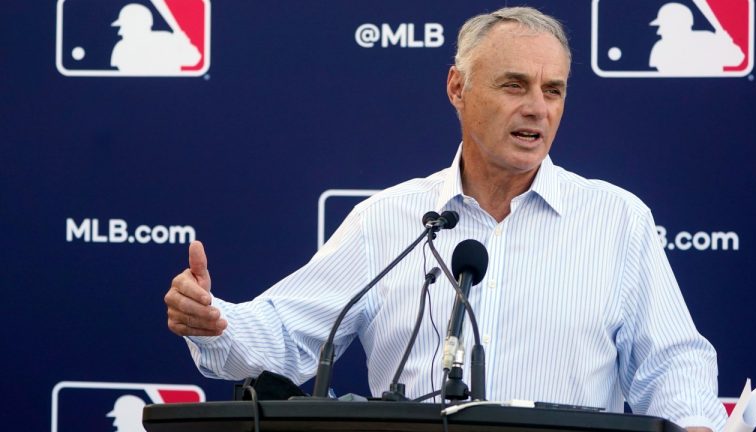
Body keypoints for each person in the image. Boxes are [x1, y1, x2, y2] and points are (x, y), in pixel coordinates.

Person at [164, 6, 726, 431]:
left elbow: (673, 362)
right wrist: (216, 322)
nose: (537, 107)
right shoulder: (388, 219)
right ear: (458, 87)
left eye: (553, 90)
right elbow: (286, 334)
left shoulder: (617, 220)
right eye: (514, 85)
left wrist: (694, 421)